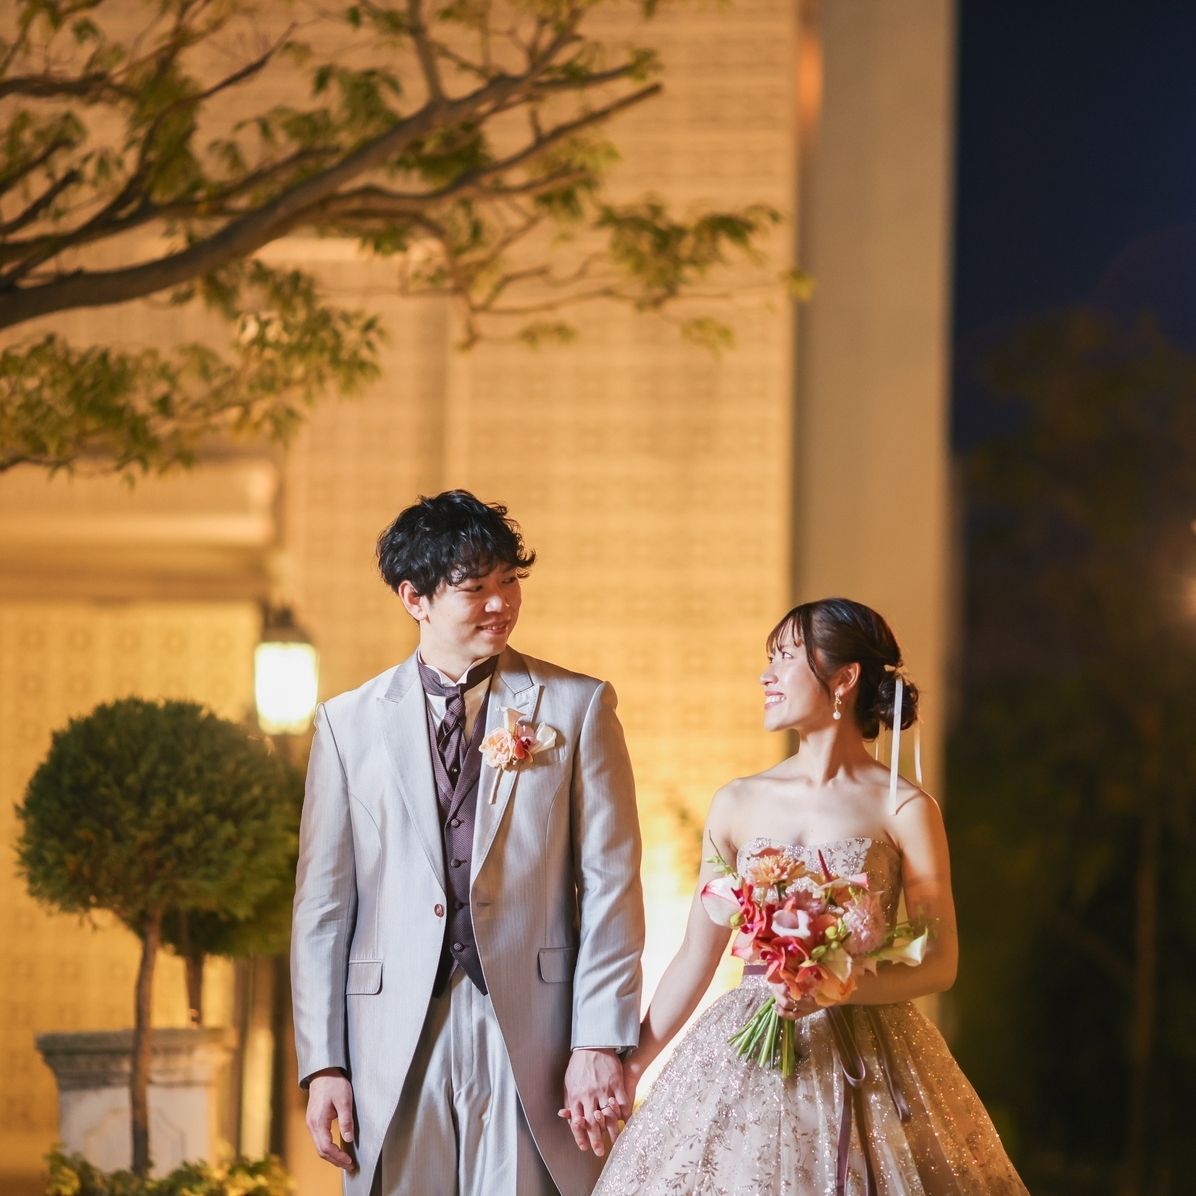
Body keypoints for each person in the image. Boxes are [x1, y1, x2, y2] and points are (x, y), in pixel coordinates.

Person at [587, 597, 1028, 1195]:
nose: (766, 676)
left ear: (844, 678)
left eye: (786, 658)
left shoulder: (905, 808)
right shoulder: (736, 802)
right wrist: (635, 1064)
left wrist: (834, 988)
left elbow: (939, 962)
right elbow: (696, 955)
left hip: (868, 1057)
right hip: (747, 1056)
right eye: (768, 660)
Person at [291, 490, 645, 1196]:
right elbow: (323, 908)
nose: (500, 604)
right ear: (414, 598)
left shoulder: (577, 707)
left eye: (509, 582)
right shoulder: (345, 725)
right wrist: (324, 1063)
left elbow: (612, 886)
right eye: (475, 588)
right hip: (390, 1029)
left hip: (533, 1028)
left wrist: (599, 1039)